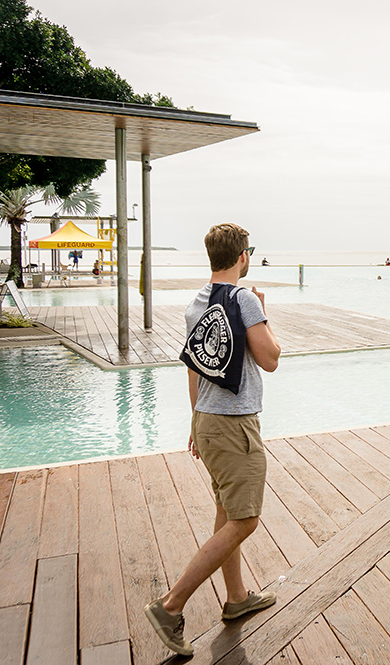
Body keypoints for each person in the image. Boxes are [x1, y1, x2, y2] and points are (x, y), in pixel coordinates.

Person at [144, 223, 282, 657]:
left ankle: (237, 598)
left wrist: (194, 421)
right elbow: (270, 359)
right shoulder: (242, 299)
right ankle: (171, 606)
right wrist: (262, 312)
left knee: (226, 509)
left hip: (207, 418)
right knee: (245, 520)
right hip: (234, 424)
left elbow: (194, 367)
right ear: (242, 256)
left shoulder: (196, 303)